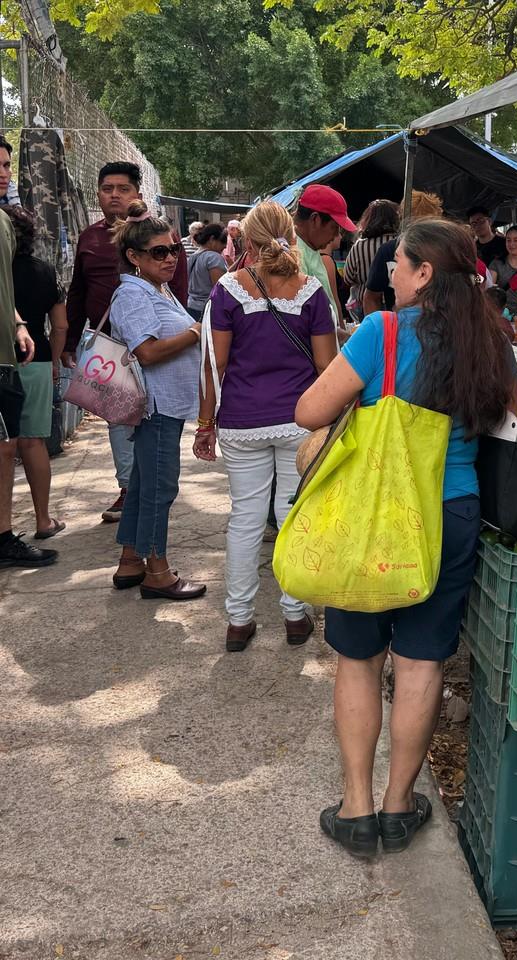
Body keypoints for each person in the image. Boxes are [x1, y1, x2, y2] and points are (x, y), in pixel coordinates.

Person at [295, 218, 513, 856]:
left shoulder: (380, 332)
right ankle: (398, 807)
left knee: (359, 658)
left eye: (398, 263)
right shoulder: (491, 338)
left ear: (423, 273)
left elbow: (309, 411)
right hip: (452, 512)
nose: (388, 271)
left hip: (374, 517)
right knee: (422, 663)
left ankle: (356, 809)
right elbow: (508, 424)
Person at [193, 201, 338, 651]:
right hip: (300, 421)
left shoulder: (226, 293)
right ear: (290, 237)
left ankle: (238, 622)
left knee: (245, 521)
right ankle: (295, 616)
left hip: (241, 423)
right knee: (293, 516)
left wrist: (204, 424)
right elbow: (327, 366)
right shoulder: (311, 291)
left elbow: (213, 366)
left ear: (245, 243)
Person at [68, 161, 190, 523]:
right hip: (110, 346)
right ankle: (129, 488)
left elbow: (175, 288)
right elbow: (77, 290)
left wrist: (179, 329)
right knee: (118, 417)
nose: (115, 195)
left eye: (123, 189)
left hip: (152, 340)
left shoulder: (156, 235)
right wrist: (69, 341)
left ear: (137, 194)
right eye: (108, 189)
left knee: (150, 418)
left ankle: (142, 489)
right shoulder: (89, 238)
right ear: (99, 194)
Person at [108, 200, 206, 601]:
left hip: (163, 404)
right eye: (159, 252)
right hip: (154, 406)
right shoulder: (133, 294)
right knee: (160, 488)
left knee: (145, 482)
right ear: (134, 257)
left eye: (174, 249)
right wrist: (196, 333)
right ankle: (158, 571)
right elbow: (146, 351)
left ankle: (131, 560)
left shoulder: (156, 289)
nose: (170, 258)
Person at [0, 142, 56, 567]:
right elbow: (63, 318)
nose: (4, 173)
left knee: (8, 445)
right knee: (22, 442)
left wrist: (18, 324)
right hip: (23, 361)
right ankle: (28, 523)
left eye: (6, 165)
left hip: (13, 355)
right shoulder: (42, 270)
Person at [4, 206, 69, 540]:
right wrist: (55, 361)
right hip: (38, 361)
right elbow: (60, 325)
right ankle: (43, 519)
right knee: (32, 441)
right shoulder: (46, 272)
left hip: (4, 359)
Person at [363, 191, 445, 316]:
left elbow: (371, 297)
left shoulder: (445, 251)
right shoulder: (389, 251)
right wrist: (381, 328)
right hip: (400, 327)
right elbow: (371, 297)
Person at [293, 184, 356, 321]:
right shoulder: (294, 254)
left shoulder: (310, 247)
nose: (336, 236)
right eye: (334, 228)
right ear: (315, 219)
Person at [344, 199, 400, 321]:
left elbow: (348, 278)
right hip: (395, 303)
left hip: (365, 306)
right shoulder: (399, 244)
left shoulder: (359, 246)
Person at [186, 221, 228, 320]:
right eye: (222, 242)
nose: (225, 246)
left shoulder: (193, 256)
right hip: (208, 310)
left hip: (192, 307)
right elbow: (219, 290)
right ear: (212, 239)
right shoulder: (213, 257)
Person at [488, 223, 517, 318]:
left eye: (516, 240)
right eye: (508, 240)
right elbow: (490, 289)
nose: (512, 244)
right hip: (501, 316)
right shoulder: (497, 263)